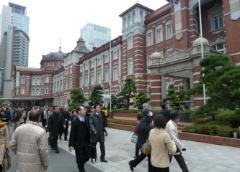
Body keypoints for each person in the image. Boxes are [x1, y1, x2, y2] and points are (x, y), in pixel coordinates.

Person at [69, 106, 90, 172]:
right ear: (79, 111)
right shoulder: (75, 121)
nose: (85, 111)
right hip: (78, 144)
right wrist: (71, 145)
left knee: (87, 156)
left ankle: (79, 163)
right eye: (83, 110)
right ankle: (81, 168)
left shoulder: (86, 119)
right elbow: (72, 134)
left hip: (86, 143)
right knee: (80, 157)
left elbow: (88, 130)